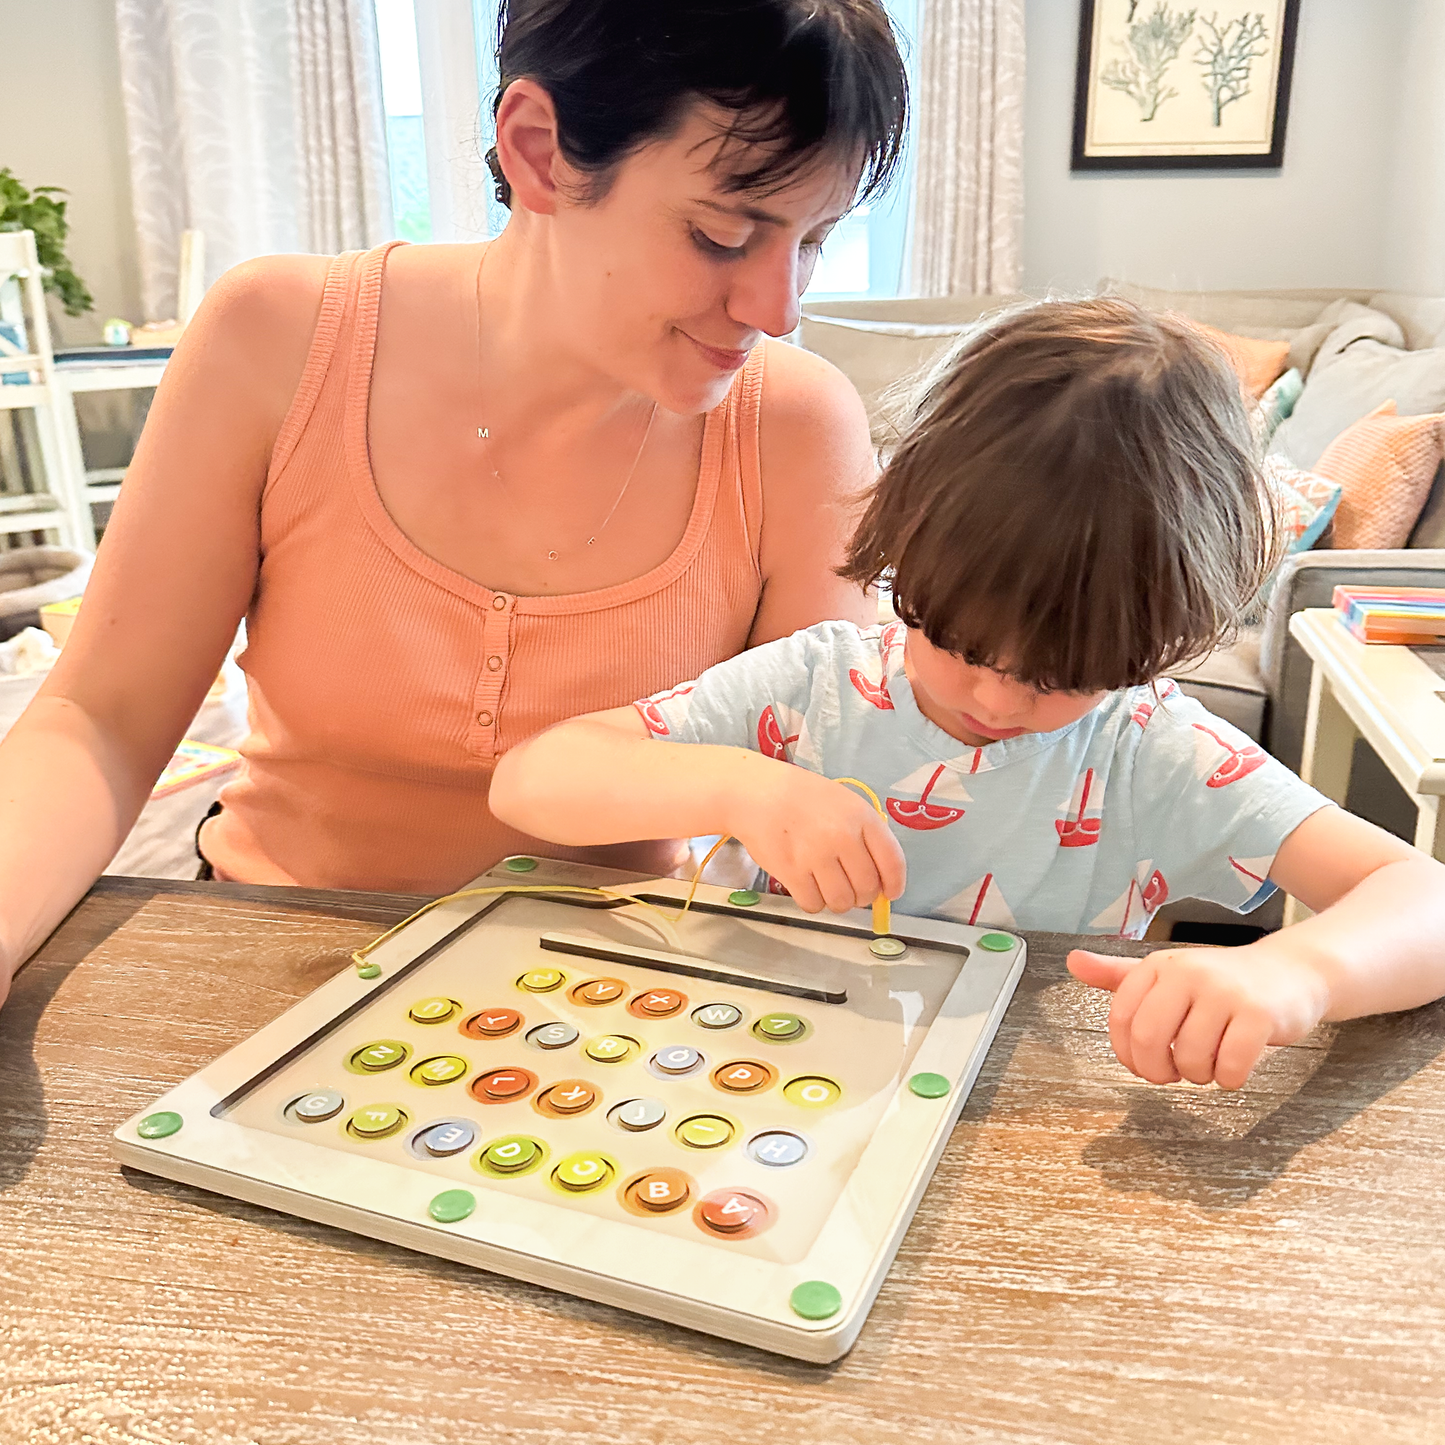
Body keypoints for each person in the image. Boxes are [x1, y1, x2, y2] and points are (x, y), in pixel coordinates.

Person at [0, 0, 909, 1014]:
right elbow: (101, 718)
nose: (777, 309)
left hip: (609, 1009)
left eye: (816, 241)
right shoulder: (277, 341)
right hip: (267, 956)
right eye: (721, 233)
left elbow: (841, 775)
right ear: (536, 149)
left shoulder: (792, 427)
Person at [490, 298, 1445, 1091]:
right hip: (745, 1074)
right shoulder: (815, 683)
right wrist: (743, 786)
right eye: (952, 636)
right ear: (905, 552)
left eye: (1063, 674)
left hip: (1011, 1116)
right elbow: (531, 779)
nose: (994, 695)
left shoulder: (1150, 750)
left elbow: (1422, 899)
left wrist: (1296, 972)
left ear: (1153, 645)